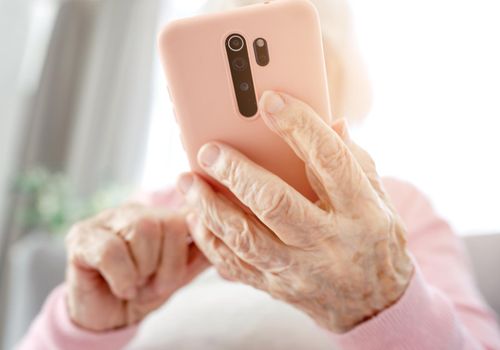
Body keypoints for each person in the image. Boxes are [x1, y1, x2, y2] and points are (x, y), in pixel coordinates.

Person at [17, 0, 500, 349]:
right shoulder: (156, 215)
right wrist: (81, 327)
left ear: (340, 74)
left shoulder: (400, 208)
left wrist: (379, 300)